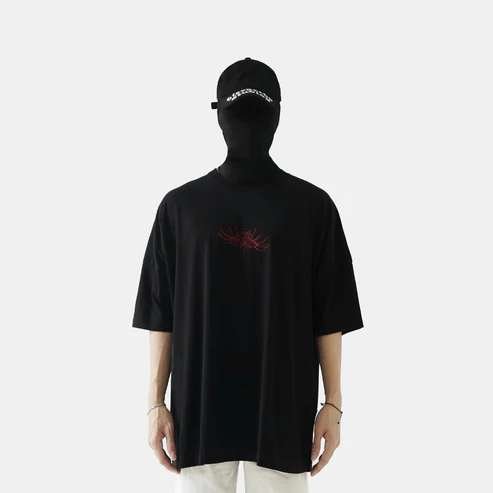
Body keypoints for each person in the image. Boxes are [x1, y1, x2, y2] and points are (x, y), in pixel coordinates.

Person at [132, 57, 364, 493]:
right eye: (241, 113)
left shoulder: (313, 209)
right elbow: (160, 312)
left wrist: (333, 405)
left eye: (256, 113)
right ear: (220, 116)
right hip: (201, 411)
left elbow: (329, 314)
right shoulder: (179, 209)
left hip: (281, 412)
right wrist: (154, 404)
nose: (248, 125)